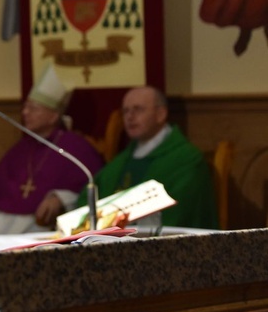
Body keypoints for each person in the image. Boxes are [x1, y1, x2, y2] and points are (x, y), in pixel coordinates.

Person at [0, 65, 104, 235]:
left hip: (41, 228)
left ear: (53, 116)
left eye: (33, 108)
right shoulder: (22, 147)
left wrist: (61, 198)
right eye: (25, 107)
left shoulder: (75, 148)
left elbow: (92, 190)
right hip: (1, 221)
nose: (25, 113)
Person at [77, 86, 219, 229]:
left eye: (138, 109)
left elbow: (183, 213)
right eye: (126, 111)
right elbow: (88, 200)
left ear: (160, 114)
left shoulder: (187, 159)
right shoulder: (122, 160)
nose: (130, 117)